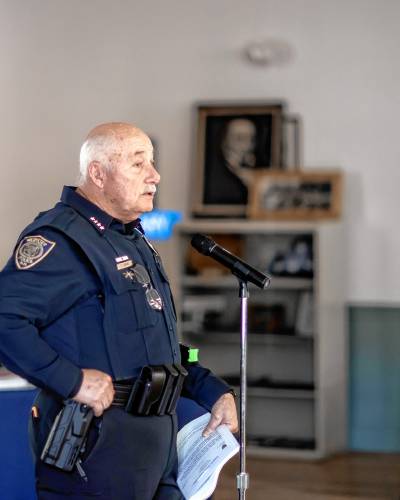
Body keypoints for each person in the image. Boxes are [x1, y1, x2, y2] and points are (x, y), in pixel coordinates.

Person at [0, 122, 238, 499]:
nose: (155, 176)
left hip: (155, 443)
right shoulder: (61, 240)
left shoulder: (132, 238)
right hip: (97, 445)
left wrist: (212, 390)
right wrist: (72, 380)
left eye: (153, 163)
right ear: (97, 173)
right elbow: (5, 321)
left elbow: (156, 345)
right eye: (138, 164)